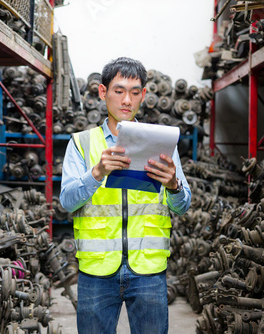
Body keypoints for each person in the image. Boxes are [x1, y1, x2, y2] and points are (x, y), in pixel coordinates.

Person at [60, 57, 191, 334]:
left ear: (144, 94)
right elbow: (67, 202)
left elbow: (182, 205)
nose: (126, 100)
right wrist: (96, 173)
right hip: (96, 272)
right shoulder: (81, 144)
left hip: (148, 270)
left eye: (134, 92)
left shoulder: (162, 143)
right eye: (119, 91)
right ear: (102, 91)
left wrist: (173, 186)